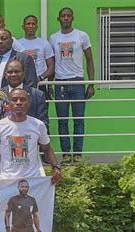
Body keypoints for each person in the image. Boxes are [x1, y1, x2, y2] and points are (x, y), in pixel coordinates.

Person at [49, 7, 95, 164]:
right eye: (63, 16)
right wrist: (50, 84)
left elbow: (89, 60)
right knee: (62, 121)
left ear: (72, 18)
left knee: (78, 120)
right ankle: (66, 154)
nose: (66, 18)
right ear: (59, 18)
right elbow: (52, 62)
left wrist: (91, 84)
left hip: (77, 82)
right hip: (60, 83)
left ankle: (77, 154)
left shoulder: (82, 35)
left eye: (68, 15)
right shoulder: (53, 38)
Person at [0, 88, 61, 183]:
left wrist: (55, 166)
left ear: (28, 104)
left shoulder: (38, 125)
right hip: (6, 183)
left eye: (22, 99)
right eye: (14, 100)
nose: (18, 103)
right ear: (8, 104)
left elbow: (46, 148)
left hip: (33, 182)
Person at [2, 60, 48, 131]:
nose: (13, 74)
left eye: (17, 71)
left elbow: (43, 122)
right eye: (10, 72)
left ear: (23, 74)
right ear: (5, 75)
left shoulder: (37, 95)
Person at [18, 15, 54, 98]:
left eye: (33, 24)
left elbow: (51, 67)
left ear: (37, 27)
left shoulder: (44, 43)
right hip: (23, 84)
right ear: (23, 26)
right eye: (28, 24)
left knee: (42, 109)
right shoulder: (18, 44)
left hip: (40, 84)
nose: (30, 26)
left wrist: (40, 77)